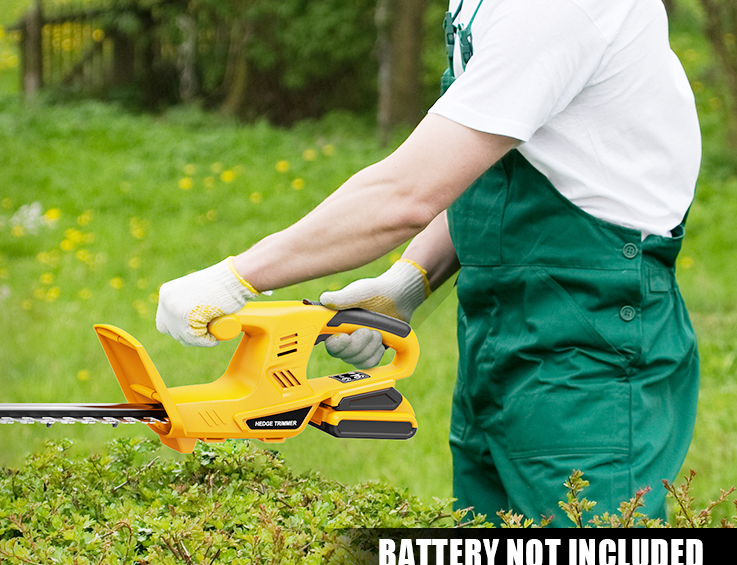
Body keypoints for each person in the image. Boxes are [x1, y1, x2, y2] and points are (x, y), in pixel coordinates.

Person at [155, 0, 700, 526]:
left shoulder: (558, 6)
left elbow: (405, 195)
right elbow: (499, 161)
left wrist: (238, 276)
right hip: (505, 336)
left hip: (592, 342)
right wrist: (409, 281)